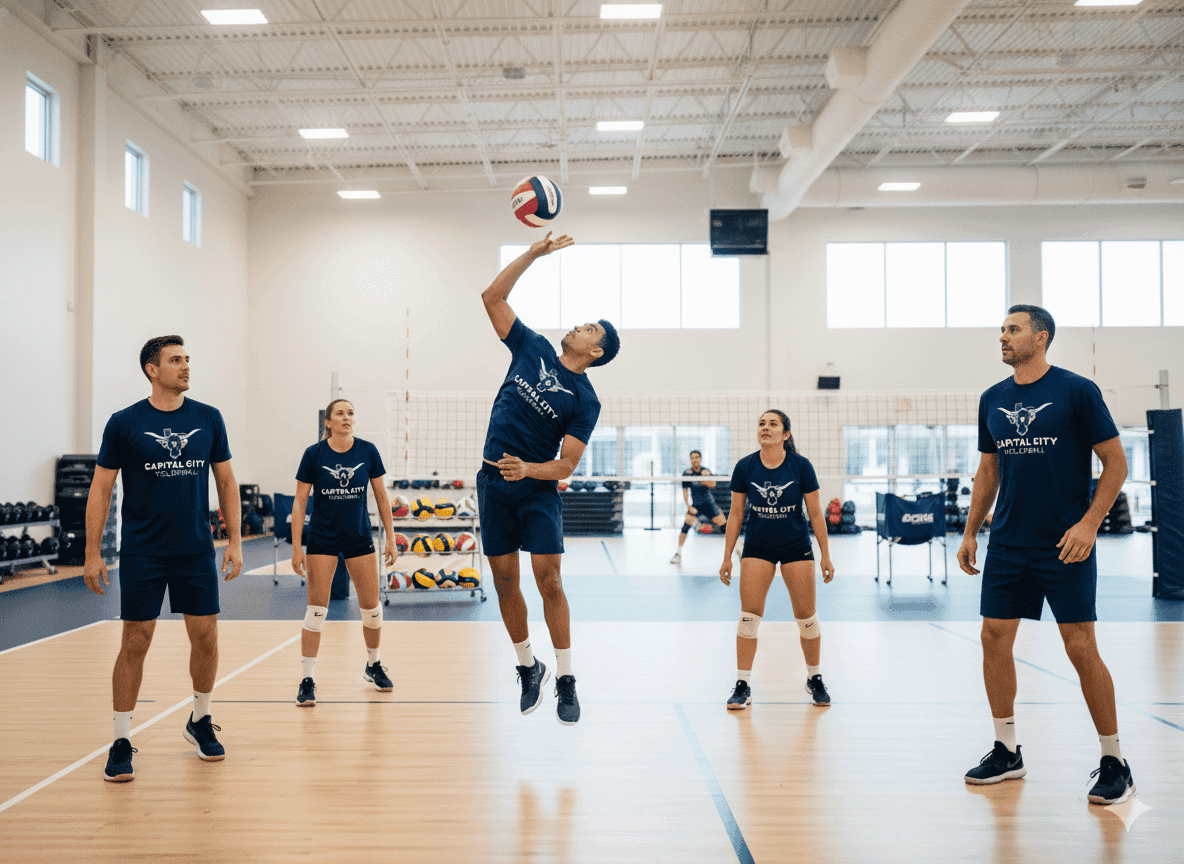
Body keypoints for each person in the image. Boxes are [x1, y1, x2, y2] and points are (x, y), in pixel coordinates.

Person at [958, 305, 1132, 804]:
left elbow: (1116, 463)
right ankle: (1007, 750)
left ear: (1042, 337)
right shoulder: (992, 399)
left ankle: (1114, 760)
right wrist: (970, 533)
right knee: (994, 637)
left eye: (1013, 330)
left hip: (1065, 542)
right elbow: (988, 472)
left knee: (1080, 647)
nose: (1003, 338)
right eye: (1002, 330)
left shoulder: (1077, 391)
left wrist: (1090, 524)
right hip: (1009, 542)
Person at [85, 335, 243, 782]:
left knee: (206, 637)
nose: (186, 366)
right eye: (176, 360)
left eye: (188, 359)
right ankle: (120, 738)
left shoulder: (209, 419)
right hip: (143, 551)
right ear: (152, 369)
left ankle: (200, 719)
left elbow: (227, 482)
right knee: (135, 641)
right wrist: (92, 552)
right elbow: (101, 487)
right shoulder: (124, 423)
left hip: (194, 550)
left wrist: (233, 541)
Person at [479, 231, 620, 725]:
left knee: (551, 581)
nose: (578, 327)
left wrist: (528, 470)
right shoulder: (532, 347)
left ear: (595, 351)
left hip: (536, 491)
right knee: (502, 579)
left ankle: (565, 677)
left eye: (588, 328)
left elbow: (567, 466)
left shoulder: (586, 400)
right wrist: (533, 254)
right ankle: (526, 666)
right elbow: (492, 298)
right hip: (494, 483)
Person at [719, 410, 835, 710]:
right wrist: (727, 556)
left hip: (796, 545)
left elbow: (815, 513)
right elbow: (735, 514)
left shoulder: (801, 466)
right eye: (761, 423)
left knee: (807, 618)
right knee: (748, 617)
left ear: (785, 434)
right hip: (758, 546)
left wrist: (825, 554)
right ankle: (742, 684)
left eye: (773, 424)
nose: (765, 428)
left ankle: (815, 677)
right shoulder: (745, 467)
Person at [290, 399, 398, 706]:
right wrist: (297, 547)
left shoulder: (367, 451)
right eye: (340, 413)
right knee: (316, 612)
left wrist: (391, 538)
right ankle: (307, 679)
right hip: (322, 539)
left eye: (351, 413)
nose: (347, 418)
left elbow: (381, 496)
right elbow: (299, 502)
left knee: (372, 609)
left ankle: (373, 665)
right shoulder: (314, 455)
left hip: (359, 538)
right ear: (328, 422)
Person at [670, 450, 727, 565]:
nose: (694, 460)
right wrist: (689, 506)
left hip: (709, 504)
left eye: (697, 457)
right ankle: (678, 553)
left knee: (725, 526)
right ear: (690, 460)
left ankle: (737, 549)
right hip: (696, 505)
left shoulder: (705, 471)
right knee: (686, 526)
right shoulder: (687, 473)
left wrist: (704, 478)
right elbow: (685, 492)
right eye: (692, 458)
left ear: (700, 459)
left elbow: (713, 485)